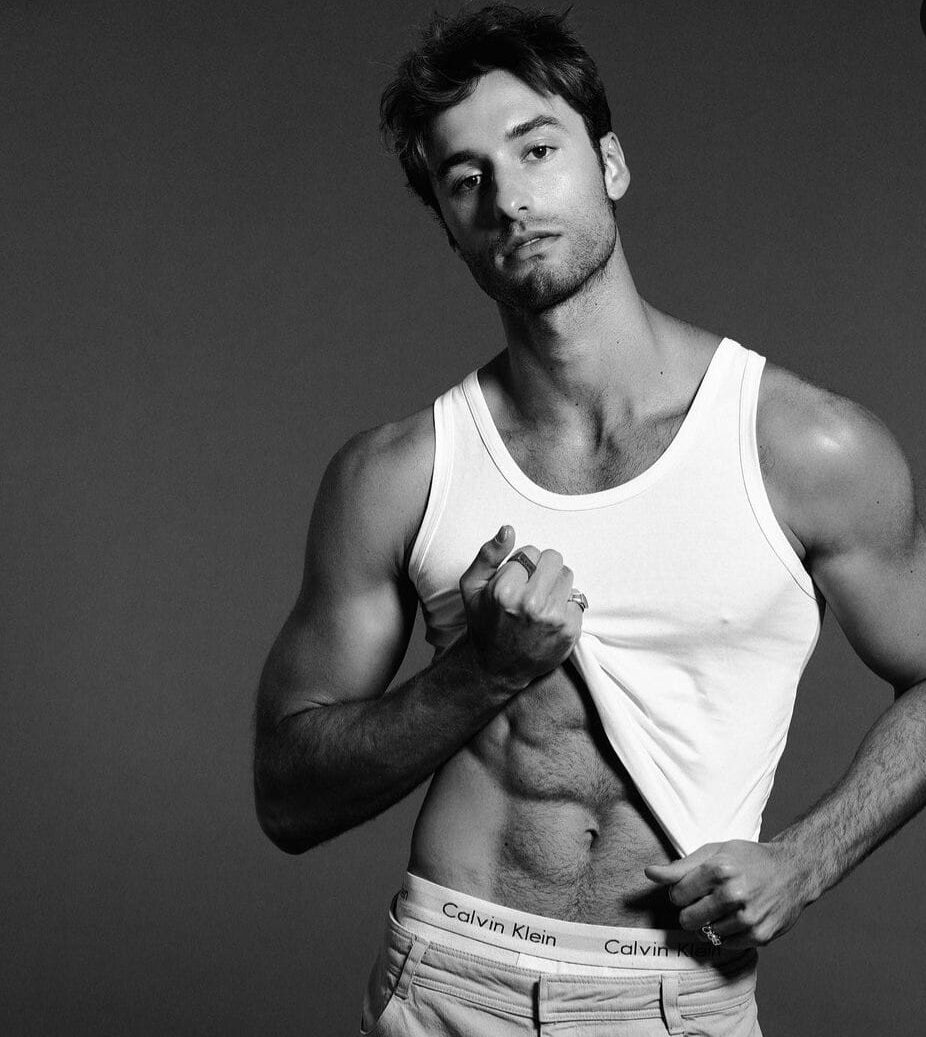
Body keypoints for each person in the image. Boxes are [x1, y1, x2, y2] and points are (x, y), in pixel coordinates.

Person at [252, 5, 926, 1034]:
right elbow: (287, 798)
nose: (509, 199)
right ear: (445, 219)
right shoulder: (399, 473)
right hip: (450, 984)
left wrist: (807, 857)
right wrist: (480, 672)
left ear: (608, 163)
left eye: (536, 149)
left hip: (675, 996)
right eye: (466, 178)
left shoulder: (804, 447)